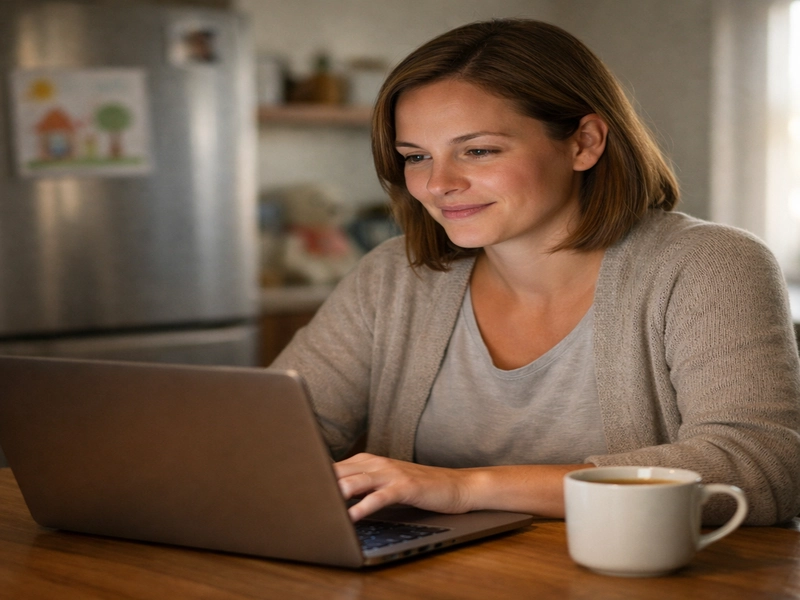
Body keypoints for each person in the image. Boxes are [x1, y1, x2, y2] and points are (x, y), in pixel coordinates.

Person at [272, 18, 800, 526]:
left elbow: (763, 468)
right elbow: (273, 436)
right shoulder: (392, 275)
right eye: (415, 157)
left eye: (478, 151)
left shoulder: (709, 264)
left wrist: (466, 488)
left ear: (584, 142)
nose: (437, 184)